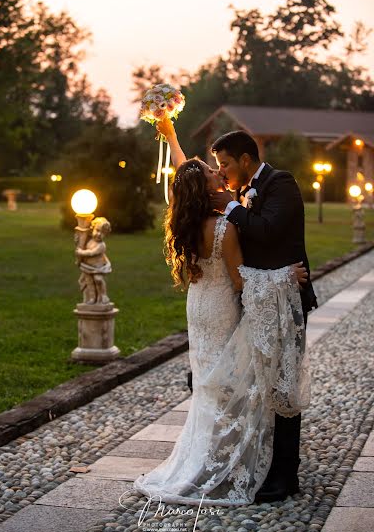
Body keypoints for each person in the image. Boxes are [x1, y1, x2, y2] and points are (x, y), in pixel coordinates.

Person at [133, 153, 310, 506]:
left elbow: (187, 175)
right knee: (231, 382)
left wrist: (170, 136)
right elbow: (242, 281)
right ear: (206, 187)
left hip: (200, 306)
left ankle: (207, 455)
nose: (219, 171)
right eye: (213, 170)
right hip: (223, 307)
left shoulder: (188, 221)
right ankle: (225, 463)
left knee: (210, 380)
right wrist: (284, 277)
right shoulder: (223, 228)